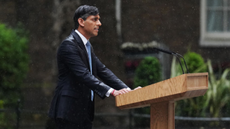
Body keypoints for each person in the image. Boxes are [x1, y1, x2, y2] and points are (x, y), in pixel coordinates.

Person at [48, 5, 136, 129]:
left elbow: (102, 70)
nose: (99, 23)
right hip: (69, 110)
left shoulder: (87, 46)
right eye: (94, 19)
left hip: (83, 111)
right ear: (81, 22)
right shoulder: (69, 45)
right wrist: (112, 91)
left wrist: (128, 90)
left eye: (98, 19)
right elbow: (83, 75)